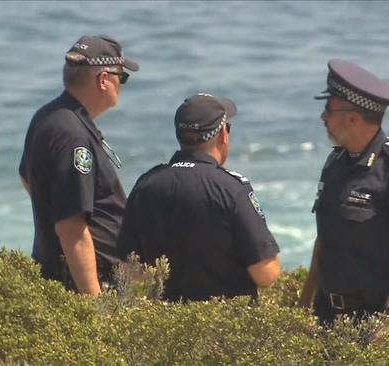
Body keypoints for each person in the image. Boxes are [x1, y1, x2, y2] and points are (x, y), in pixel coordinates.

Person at [299, 59, 389, 326]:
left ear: (352, 118)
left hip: (374, 319)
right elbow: (324, 241)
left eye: (328, 109)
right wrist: (303, 305)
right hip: (326, 315)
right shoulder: (335, 163)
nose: (323, 117)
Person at [116, 93, 281, 302]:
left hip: (162, 326)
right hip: (227, 327)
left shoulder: (146, 185)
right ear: (222, 134)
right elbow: (266, 273)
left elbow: (130, 268)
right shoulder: (233, 189)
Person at [19, 35, 139, 295]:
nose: (121, 85)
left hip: (58, 275)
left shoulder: (48, 116)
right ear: (103, 80)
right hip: (84, 283)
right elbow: (71, 229)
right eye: (122, 78)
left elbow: (27, 178)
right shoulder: (74, 136)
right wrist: (94, 307)